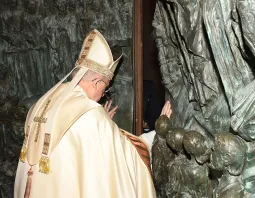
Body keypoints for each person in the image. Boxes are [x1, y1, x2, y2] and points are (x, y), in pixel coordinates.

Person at [14, 29, 156, 198]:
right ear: (97, 82)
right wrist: (151, 138)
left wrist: (102, 123)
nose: (103, 95)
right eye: (106, 88)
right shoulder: (90, 114)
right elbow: (123, 158)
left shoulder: (43, 102)